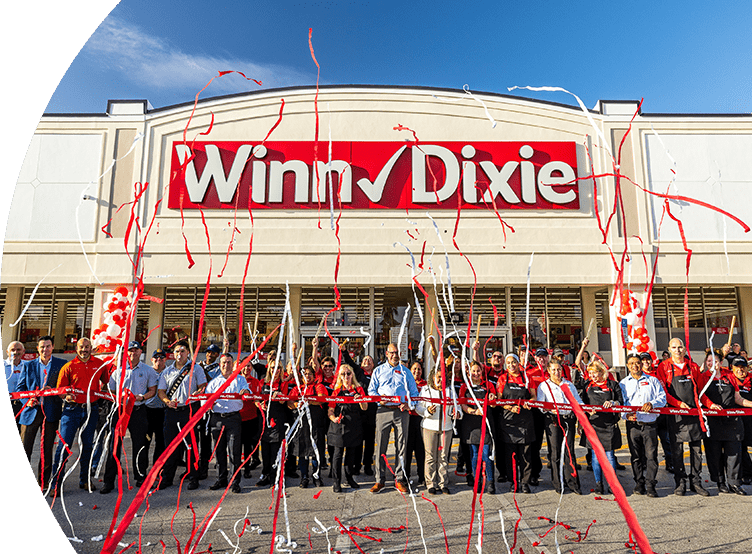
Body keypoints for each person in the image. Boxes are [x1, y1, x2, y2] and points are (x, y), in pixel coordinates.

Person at [50, 337, 109, 495]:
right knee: (63, 447)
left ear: (91, 348)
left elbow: (106, 381)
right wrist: (67, 396)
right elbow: (60, 391)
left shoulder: (99, 364)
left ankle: (85, 480)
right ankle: (56, 484)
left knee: (88, 447)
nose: (84, 350)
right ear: (76, 348)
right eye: (81, 347)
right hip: (71, 410)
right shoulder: (68, 366)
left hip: (91, 410)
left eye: (87, 347)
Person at [100, 341, 158, 493]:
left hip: (138, 411)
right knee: (114, 445)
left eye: (136, 350)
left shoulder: (148, 370)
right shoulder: (117, 371)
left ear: (141, 352)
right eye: (130, 350)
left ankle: (141, 477)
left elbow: (153, 390)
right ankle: (109, 481)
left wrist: (142, 397)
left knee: (140, 445)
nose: (133, 353)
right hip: (120, 411)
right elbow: (110, 391)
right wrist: (117, 398)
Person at [657, 337, 710, 496]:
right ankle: (680, 482)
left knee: (696, 451)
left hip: (694, 415)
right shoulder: (663, 367)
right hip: (675, 415)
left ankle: (696, 482)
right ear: (669, 349)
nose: (678, 350)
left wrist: (710, 404)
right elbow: (662, 393)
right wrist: (677, 404)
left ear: (684, 349)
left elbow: (701, 392)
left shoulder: (693, 367)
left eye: (680, 347)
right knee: (677, 451)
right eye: (674, 347)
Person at [368, 342, 419, 494]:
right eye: (392, 352)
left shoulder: (406, 372)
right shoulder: (378, 371)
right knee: (381, 446)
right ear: (386, 354)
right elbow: (371, 391)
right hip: (383, 410)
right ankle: (379, 480)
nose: (395, 355)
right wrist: (379, 399)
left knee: (401, 446)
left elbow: (414, 393)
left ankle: (399, 479)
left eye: (397, 352)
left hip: (401, 411)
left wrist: (410, 405)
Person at [156, 339, 207, 490]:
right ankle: (167, 478)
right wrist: (166, 401)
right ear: (173, 354)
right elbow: (161, 391)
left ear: (188, 353)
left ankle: (193, 477)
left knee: (190, 445)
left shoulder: (195, 369)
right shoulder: (167, 371)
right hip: (171, 412)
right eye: (177, 351)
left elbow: (202, 385)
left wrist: (199, 392)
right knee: (170, 446)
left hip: (189, 411)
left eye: (182, 351)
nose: (180, 354)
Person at [17, 335, 65, 488]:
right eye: (42, 347)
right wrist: (28, 400)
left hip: (50, 412)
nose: (45, 349)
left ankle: (43, 482)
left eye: (48, 346)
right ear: (37, 348)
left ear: (53, 347)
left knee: (46, 450)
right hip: (31, 412)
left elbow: (64, 388)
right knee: (25, 448)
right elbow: (20, 389)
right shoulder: (28, 365)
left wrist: (55, 391)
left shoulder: (61, 364)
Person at [701, 356, 752, 495]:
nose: (713, 364)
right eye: (709, 361)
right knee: (714, 453)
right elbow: (700, 395)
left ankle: (734, 483)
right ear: (706, 363)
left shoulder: (729, 376)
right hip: (713, 422)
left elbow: (738, 398)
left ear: (721, 362)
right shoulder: (703, 377)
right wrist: (710, 405)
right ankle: (720, 482)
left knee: (734, 453)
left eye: (715, 361)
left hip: (732, 422)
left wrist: (750, 404)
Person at [620, 353, 667, 498]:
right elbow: (620, 403)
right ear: (628, 366)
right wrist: (625, 415)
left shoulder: (652, 380)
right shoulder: (623, 383)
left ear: (642, 364)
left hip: (649, 424)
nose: (635, 366)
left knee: (651, 456)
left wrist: (652, 403)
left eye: (638, 363)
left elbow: (662, 398)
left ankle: (650, 484)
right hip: (633, 425)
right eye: (632, 363)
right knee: (635, 456)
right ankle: (639, 483)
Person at [204, 353, 249, 494]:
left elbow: (248, 392)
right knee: (219, 451)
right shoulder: (213, 383)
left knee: (235, 451)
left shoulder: (240, 379)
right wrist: (209, 402)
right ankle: (221, 478)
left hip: (233, 418)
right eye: (224, 362)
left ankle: (235, 481)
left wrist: (246, 391)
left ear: (233, 364)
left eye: (229, 362)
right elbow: (204, 402)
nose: (226, 365)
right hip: (217, 419)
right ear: (220, 364)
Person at [536, 360, 583, 494]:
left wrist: (584, 410)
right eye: (554, 370)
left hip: (568, 419)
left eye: (559, 370)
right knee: (555, 453)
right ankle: (558, 483)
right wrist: (547, 408)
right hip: (553, 420)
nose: (557, 372)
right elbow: (540, 404)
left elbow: (577, 401)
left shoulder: (569, 384)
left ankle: (573, 483)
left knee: (570, 452)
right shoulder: (543, 386)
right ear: (549, 371)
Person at [582, 359, 624, 494]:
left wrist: (613, 402)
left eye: (595, 373)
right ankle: (599, 483)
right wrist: (581, 422)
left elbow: (621, 402)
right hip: (593, 425)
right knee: (595, 456)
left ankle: (612, 484)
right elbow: (581, 404)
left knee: (610, 456)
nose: (592, 376)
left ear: (601, 372)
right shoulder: (587, 385)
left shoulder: (613, 384)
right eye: (590, 373)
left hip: (609, 425)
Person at [496, 353, 536, 493]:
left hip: (525, 420)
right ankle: (513, 482)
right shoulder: (502, 379)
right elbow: (499, 401)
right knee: (511, 455)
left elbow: (533, 396)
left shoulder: (527, 377)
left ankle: (524, 482)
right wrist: (509, 407)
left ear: (518, 363)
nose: (511, 365)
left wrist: (529, 403)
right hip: (508, 421)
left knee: (525, 455)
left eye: (514, 362)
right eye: (508, 363)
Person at [327, 365, 368, 492]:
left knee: (351, 455)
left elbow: (365, 407)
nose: (346, 376)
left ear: (352, 375)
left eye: (348, 373)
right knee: (338, 455)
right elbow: (331, 410)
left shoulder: (358, 389)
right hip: (339, 426)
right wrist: (334, 419)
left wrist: (360, 400)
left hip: (353, 426)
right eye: (343, 374)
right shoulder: (336, 391)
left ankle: (349, 478)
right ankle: (336, 481)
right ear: (340, 376)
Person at [416, 364, 457, 495]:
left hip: (446, 427)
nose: (440, 380)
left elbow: (458, 407)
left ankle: (443, 483)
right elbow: (418, 407)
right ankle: (430, 483)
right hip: (429, 427)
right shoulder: (426, 390)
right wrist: (427, 411)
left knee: (444, 456)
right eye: (438, 377)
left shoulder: (450, 390)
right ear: (432, 377)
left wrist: (457, 413)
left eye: (443, 377)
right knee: (430, 456)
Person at [288, 363, 327, 488]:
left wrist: (309, 401)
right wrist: (296, 405)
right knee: (302, 452)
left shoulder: (319, 386)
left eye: (310, 374)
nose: (307, 376)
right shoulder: (296, 389)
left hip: (316, 425)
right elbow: (289, 402)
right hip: (301, 425)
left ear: (314, 376)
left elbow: (322, 399)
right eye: (305, 374)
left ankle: (317, 476)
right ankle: (304, 477)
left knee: (316, 452)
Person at [459, 360, 497, 494]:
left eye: (478, 371)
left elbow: (494, 403)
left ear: (482, 372)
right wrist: (474, 411)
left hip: (486, 424)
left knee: (486, 455)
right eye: (473, 371)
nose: (476, 373)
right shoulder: (465, 386)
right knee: (475, 456)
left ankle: (491, 482)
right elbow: (462, 405)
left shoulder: (488, 385)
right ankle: (477, 482)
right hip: (471, 424)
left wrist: (492, 397)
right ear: (469, 372)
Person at [255, 358, 289, 487]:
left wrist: (279, 395)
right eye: (273, 367)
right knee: (265, 450)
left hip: (278, 419)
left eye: (278, 368)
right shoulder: (262, 382)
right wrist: (259, 405)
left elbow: (283, 401)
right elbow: (256, 399)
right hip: (265, 420)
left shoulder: (283, 383)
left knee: (276, 450)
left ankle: (276, 476)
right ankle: (265, 473)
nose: (276, 370)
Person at [639, 351, 673, 473]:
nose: (645, 362)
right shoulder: (638, 376)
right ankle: (644, 464)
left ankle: (670, 463)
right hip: (646, 415)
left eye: (647, 359)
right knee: (647, 443)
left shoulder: (657, 374)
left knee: (666, 439)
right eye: (642, 360)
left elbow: (664, 392)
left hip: (662, 413)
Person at [729, 358, 752, 484]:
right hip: (737, 420)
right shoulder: (729, 381)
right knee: (741, 448)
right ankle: (747, 473)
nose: (740, 369)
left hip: (750, 419)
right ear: (732, 368)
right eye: (737, 366)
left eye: (743, 366)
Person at [144, 348, 167, 467]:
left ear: (165, 359)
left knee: (161, 442)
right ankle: (143, 468)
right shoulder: (147, 371)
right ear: (152, 359)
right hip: (148, 410)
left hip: (163, 411)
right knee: (145, 441)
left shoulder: (169, 372)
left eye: (162, 357)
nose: (159, 360)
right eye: (156, 358)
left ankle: (157, 469)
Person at [405, 360, 427, 486]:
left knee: (420, 450)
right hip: (408, 419)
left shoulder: (425, 385)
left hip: (420, 419)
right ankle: (406, 476)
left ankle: (422, 476)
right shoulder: (406, 383)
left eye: (419, 369)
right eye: (414, 369)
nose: (416, 371)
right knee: (407, 449)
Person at [5, 341, 25, 433]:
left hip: (23, 405)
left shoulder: (28, 366)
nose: (15, 352)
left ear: (23, 351)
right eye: (12, 350)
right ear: (7, 352)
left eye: (18, 350)